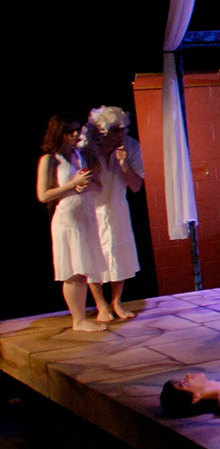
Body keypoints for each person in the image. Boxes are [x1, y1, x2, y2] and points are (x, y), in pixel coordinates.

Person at [37, 111, 108, 332]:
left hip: (85, 215)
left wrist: (85, 183)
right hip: (67, 219)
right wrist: (72, 184)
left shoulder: (79, 155)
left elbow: (96, 186)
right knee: (73, 270)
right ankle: (78, 319)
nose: (76, 134)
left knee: (84, 267)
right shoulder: (50, 159)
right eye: (70, 131)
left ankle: (82, 317)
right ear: (60, 133)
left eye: (77, 129)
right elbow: (43, 195)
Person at [85, 106, 144, 320]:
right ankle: (101, 304)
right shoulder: (88, 148)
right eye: (116, 130)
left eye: (124, 129)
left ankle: (116, 301)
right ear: (103, 131)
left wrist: (124, 164)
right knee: (94, 255)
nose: (122, 134)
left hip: (118, 206)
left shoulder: (130, 146)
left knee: (119, 253)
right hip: (92, 208)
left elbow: (137, 186)